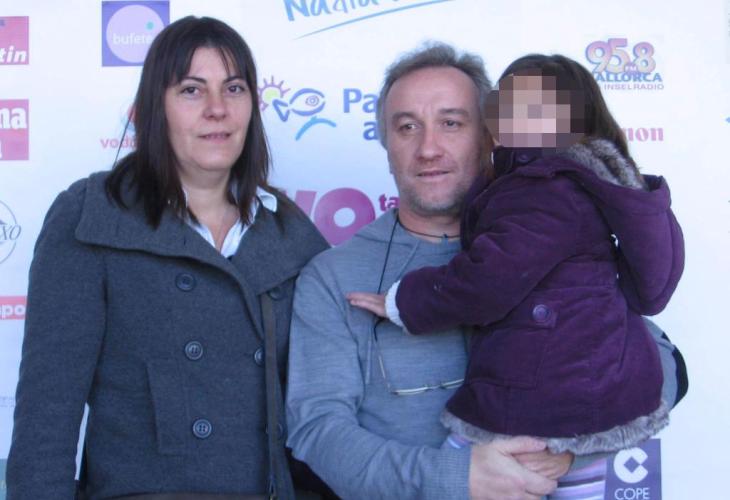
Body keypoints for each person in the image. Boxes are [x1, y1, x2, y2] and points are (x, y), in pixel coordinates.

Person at [286, 43, 688, 500]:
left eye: (452, 123)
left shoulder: (554, 233)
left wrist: (570, 448)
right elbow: (317, 431)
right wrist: (454, 477)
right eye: (407, 127)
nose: (428, 148)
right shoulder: (334, 277)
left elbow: (659, 362)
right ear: (386, 143)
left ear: (491, 136)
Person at [7, 16, 328, 500]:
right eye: (192, 90)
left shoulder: (290, 230)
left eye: (234, 88)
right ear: (155, 108)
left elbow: (325, 406)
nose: (217, 109)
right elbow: (47, 417)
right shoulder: (92, 216)